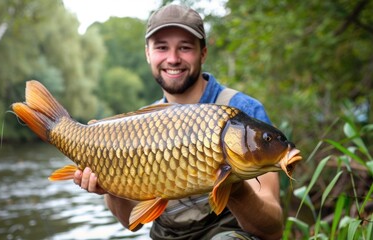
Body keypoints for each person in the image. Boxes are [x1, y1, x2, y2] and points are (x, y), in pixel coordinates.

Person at [74, 4, 283, 240]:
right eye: (162, 48)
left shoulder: (243, 112)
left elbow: (273, 229)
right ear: (147, 53)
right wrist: (111, 188)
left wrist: (232, 186)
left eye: (184, 48)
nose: (173, 59)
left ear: (203, 53)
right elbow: (131, 222)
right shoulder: (137, 125)